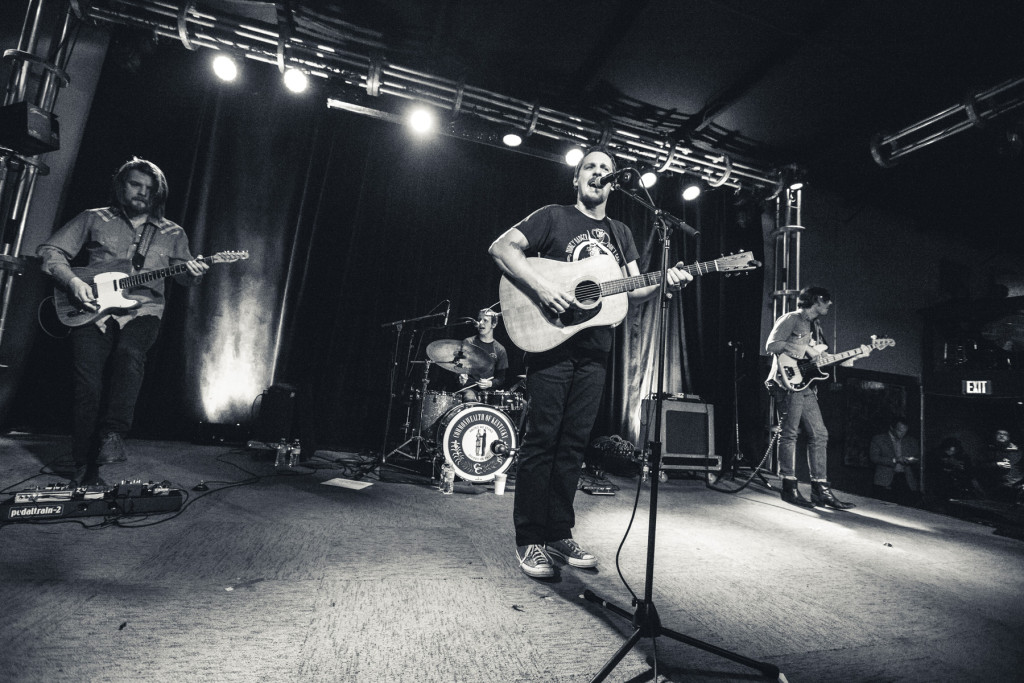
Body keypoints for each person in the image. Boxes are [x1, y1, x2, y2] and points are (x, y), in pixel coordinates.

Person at [489, 147, 693, 578]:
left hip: (595, 348)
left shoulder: (620, 232)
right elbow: (502, 248)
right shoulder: (554, 216)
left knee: (573, 444)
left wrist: (664, 282)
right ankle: (529, 539)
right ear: (577, 179)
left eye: (606, 169)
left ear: (614, 182)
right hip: (551, 341)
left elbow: (632, 290)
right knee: (542, 439)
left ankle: (559, 532)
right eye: (591, 168)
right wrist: (544, 288)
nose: (599, 174)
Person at [38, 158, 209, 486]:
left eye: (149, 189)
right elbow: (51, 250)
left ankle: (113, 433)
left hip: (143, 311)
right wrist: (73, 282)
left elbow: (186, 279)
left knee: (130, 355)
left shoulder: (173, 233)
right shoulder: (94, 218)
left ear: (157, 194)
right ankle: (84, 463)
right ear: (121, 185)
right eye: (135, 185)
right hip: (91, 310)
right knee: (87, 384)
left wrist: (193, 273)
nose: (142, 193)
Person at [764, 286, 856, 510]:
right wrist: (802, 350)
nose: (830, 304)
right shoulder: (791, 318)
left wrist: (844, 357)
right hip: (786, 382)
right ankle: (789, 485)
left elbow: (816, 356)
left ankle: (820, 488)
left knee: (820, 433)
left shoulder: (815, 325)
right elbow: (772, 345)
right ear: (815, 301)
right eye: (827, 300)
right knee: (790, 433)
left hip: (805, 384)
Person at [455, 308, 508, 403]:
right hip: (469, 389)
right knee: (470, 398)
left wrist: (490, 383)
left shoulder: (500, 350)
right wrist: (460, 374)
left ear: (494, 324)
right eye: (479, 319)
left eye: (485, 320)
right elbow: (458, 365)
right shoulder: (468, 342)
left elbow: (501, 378)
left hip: (489, 391)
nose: (480, 323)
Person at [869, 418, 920, 505]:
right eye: (900, 431)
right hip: (884, 480)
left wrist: (911, 460)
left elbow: (917, 457)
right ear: (892, 428)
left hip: (905, 478)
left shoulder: (911, 441)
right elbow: (874, 458)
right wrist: (895, 460)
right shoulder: (879, 439)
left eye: (905, 431)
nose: (902, 434)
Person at [979, 428, 1023, 506]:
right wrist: (997, 464)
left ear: (1009, 437)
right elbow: (979, 466)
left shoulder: (1019, 452)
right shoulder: (989, 450)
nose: (1001, 436)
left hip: (1014, 489)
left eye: (1004, 434)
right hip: (992, 488)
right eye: (999, 433)